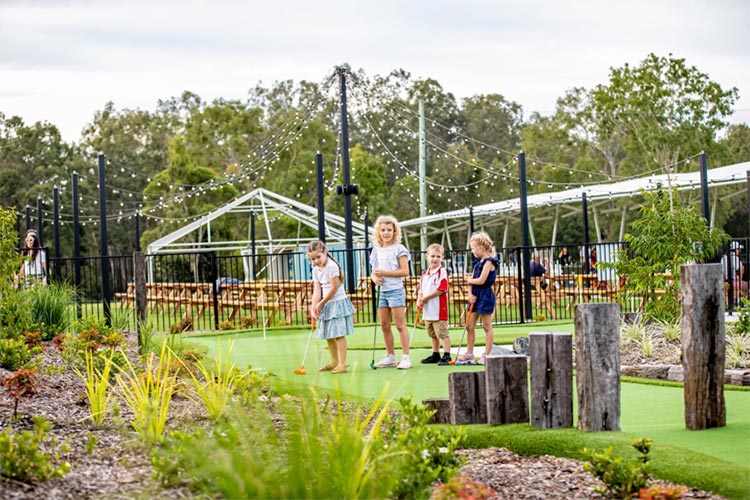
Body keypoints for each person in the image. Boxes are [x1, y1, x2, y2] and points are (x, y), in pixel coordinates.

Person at [370, 215, 412, 369]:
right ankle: (390, 356)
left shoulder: (399, 249)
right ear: (378, 232)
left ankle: (406, 357)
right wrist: (375, 278)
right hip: (381, 291)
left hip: (395, 290)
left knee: (400, 325)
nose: (386, 233)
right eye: (383, 230)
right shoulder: (376, 250)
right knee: (384, 325)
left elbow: (405, 271)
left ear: (395, 231)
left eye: (389, 230)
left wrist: (385, 273)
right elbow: (374, 272)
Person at [308, 240, 355, 374]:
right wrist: (313, 307)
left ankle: (342, 364)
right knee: (329, 334)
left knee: (339, 334)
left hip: (337, 302)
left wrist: (321, 303)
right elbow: (317, 290)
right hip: (326, 303)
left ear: (325, 252)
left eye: (318, 257)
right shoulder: (316, 270)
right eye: (313, 258)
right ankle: (334, 361)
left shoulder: (332, 266)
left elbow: (334, 288)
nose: (316, 261)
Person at [459, 231, 498, 365]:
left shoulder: (489, 262)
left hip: (485, 296)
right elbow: (472, 279)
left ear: (481, 247)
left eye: (473, 248)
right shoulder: (477, 263)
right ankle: (470, 353)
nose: (472, 251)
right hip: (475, 296)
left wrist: (469, 280)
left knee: (487, 326)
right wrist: (470, 294)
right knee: (469, 325)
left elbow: (481, 280)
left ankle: (487, 354)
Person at [417, 243, 451, 366]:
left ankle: (447, 355)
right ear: (427, 256)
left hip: (438, 309)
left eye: (438, 256)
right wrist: (419, 299)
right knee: (432, 334)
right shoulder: (424, 274)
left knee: (442, 333)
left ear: (442, 257)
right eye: (432, 256)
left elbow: (441, 289)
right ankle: (435, 354)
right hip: (428, 310)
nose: (435, 259)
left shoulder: (442, 272)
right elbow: (421, 290)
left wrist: (426, 298)